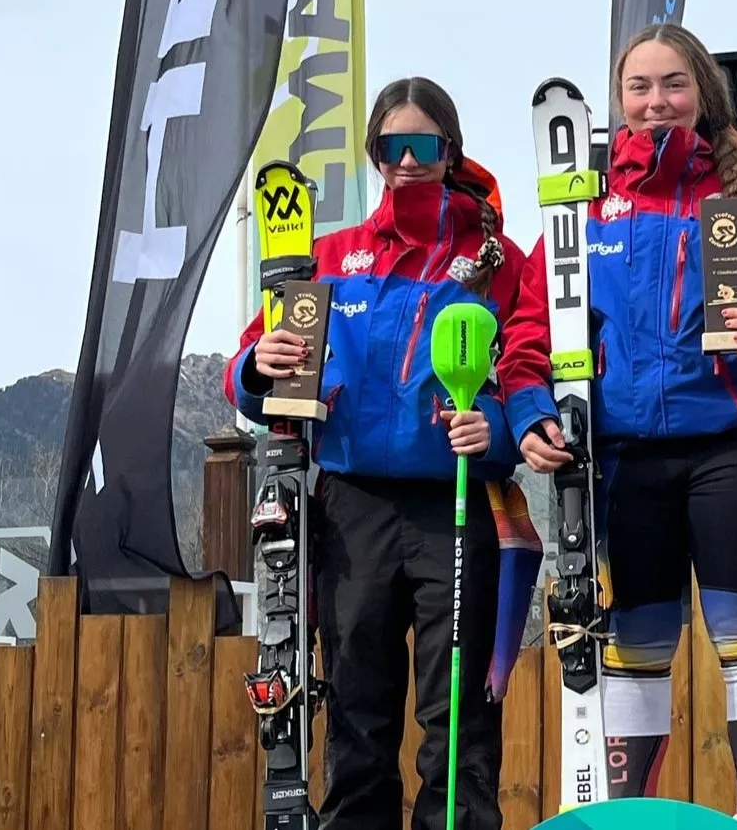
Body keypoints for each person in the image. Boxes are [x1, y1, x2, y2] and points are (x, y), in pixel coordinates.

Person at [223, 76, 556, 830]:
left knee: (459, 708)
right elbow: (249, 380)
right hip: (353, 505)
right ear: (374, 154)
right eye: (391, 147)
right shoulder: (329, 257)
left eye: (424, 146)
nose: (407, 161)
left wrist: (497, 432)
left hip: (457, 498)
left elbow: (528, 367)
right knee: (357, 705)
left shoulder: (497, 263)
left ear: (451, 151)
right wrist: (258, 364)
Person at [514, 23, 737, 829]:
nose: (655, 102)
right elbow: (530, 336)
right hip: (623, 459)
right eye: (638, 88)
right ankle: (630, 817)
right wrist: (533, 414)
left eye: (672, 84)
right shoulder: (581, 207)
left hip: (730, 449)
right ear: (618, 102)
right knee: (635, 648)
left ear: (702, 93)